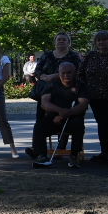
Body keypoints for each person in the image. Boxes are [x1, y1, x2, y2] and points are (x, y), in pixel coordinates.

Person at [28, 32, 82, 160]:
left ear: (69, 42)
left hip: (65, 92)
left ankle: (60, 148)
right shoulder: (47, 55)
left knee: (64, 117)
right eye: (59, 39)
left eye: (64, 39)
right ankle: (38, 150)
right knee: (40, 120)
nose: (61, 41)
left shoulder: (74, 56)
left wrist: (55, 76)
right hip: (46, 91)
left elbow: (77, 71)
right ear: (55, 42)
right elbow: (38, 70)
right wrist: (43, 76)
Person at [34, 61, 89, 169]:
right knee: (39, 126)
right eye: (63, 73)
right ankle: (41, 155)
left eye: (69, 72)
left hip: (72, 118)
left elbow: (83, 104)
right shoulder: (51, 85)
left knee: (78, 125)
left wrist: (64, 115)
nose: (66, 75)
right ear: (59, 73)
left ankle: (74, 156)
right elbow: (44, 103)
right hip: (53, 118)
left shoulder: (81, 85)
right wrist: (60, 111)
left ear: (74, 72)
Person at [78, 30, 108, 164]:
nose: (101, 42)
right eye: (99, 40)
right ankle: (105, 152)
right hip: (94, 96)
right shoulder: (91, 55)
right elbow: (80, 73)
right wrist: (85, 89)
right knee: (102, 124)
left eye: (104, 39)